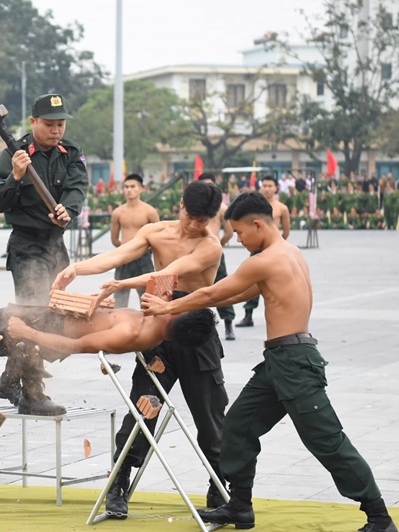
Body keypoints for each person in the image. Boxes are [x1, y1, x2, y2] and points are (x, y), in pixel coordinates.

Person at [141, 192, 397, 532]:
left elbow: (215, 292)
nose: (239, 240)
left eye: (241, 233)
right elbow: (237, 293)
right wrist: (188, 306)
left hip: (294, 363)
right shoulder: (290, 254)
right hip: (278, 362)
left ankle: (379, 516)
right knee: (237, 426)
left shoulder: (264, 260)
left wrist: (168, 307)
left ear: (258, 224)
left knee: (328, 441)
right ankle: (240, 507)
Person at [52, 180, 228, 518]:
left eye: (203, 220)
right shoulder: (156, 231)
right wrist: (77, 267)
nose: (195, 226)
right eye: (191, 217)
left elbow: (170, 276)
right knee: (143, 407)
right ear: (180, 205)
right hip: (156, 329)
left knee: (210, 413)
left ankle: (219, 485)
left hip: (194, 329)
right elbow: (118, 255)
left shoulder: (210, 246)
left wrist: (121, 284)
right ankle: (119, 482)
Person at [0, 92, 88, 416]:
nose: (56, 130)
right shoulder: (14, 154)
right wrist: (16, 177)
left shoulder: (69, 153)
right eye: (49, 124)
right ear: (33, 123)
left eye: (60, 124)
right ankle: (31, 392)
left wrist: (68, 210)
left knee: (58, 315)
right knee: (35, 314)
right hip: (27, 246)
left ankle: (10, 377)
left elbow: (77, 187)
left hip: (55, 244)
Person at [0, 301, 216, 381]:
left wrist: (29, 334)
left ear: (175, 320)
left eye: (179, 308)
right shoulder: (153, 315)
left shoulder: (133, 333)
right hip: (52, 315)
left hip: (46, 333)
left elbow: (77, 347)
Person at [236, 175, 289, 328]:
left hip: (273, 248)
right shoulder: (255, 209)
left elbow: (285, 231)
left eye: (270, 186)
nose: (267, 189)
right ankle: (248, 315)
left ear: (276, 188)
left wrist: (276, 245)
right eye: (264, 185)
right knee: (251, 282)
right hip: (257, 249)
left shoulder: (281, 208)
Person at [110, 173, 160, 308]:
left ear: (141, 189)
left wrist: (144, 250)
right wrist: (126, 249)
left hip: (143, 258)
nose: (129, 190)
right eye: (126, 187)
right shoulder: (118, 212)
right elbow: (114, 239)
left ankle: (148, 325)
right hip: (124, 257)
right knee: (119, 295)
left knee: (148, 295)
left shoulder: (149, 211)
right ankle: (118, 324)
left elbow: (159, 237)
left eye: (133, 187)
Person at [196, 173, 236, 340]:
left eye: (210, 185)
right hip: (196, 254)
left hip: (215, 253)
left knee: (222, 286)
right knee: (196, 288)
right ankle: (198, 323)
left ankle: (228, 323)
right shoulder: (194, 207)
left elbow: (229, 232)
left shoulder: (221, 208)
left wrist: (217, 244)